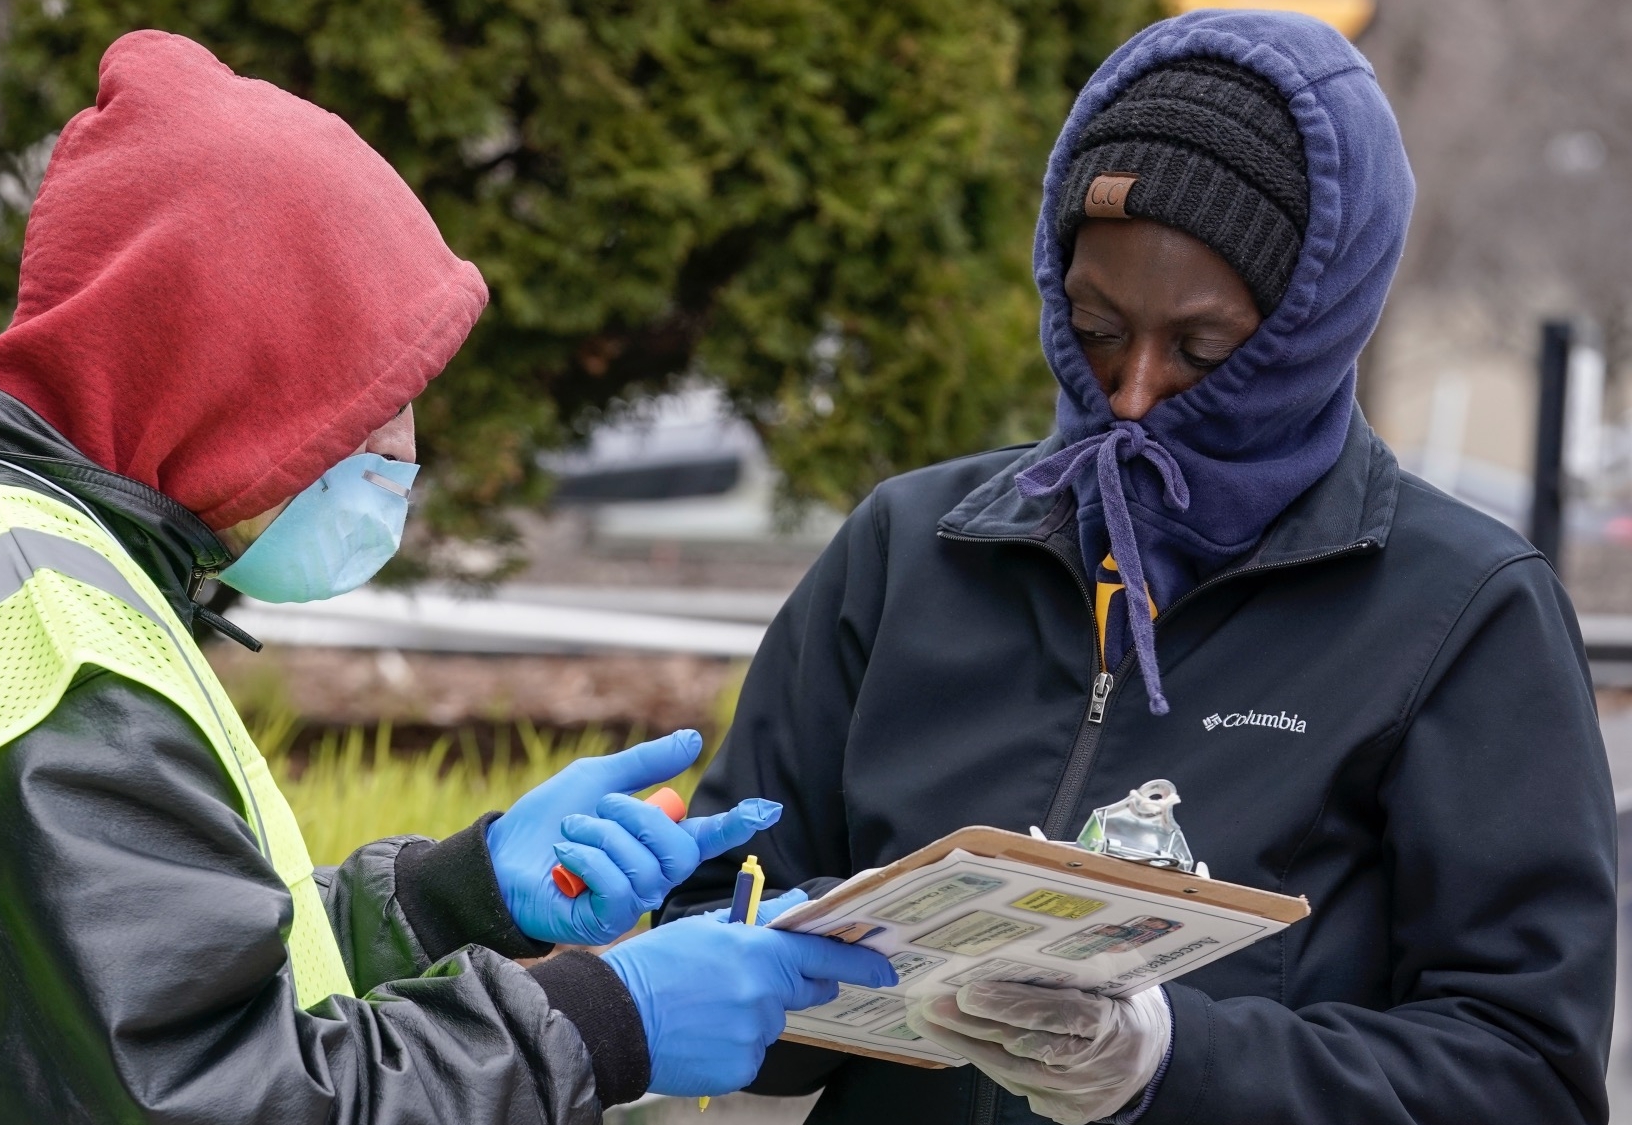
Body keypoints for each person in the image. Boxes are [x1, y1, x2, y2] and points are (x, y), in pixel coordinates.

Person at [0, 31, 896, 1125]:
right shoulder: (46, 659)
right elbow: (228, 1096)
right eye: (374, 408)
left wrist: (459, 890)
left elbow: (112, 990)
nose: (404, 458)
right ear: (231, 377)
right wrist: (605, 1021)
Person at [664, 10, 1613, 1125]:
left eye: (1203, 349)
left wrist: (1170, 1064)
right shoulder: (909, 547)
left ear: (1314, 322)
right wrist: (797, 957)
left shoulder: (1460, 610)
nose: (1130, 392)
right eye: (1094, 326)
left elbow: (1522, 1076)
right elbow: (720, 912)